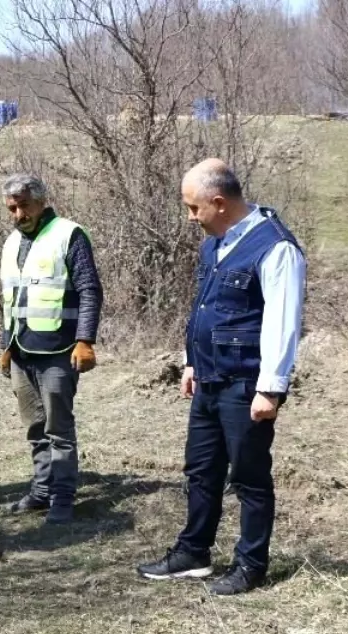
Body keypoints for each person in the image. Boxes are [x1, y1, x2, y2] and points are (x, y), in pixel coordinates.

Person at [137, 158, 306, 596]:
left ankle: (251, 565)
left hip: (247, 384)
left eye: (194, 208)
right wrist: (192, 362)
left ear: (219, 202)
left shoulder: (276, 248)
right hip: (209, 379)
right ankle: (193, 552)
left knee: (249, 477)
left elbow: (282, 323)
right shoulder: (214, 243)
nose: (191, 217)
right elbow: (207, 308)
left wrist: (271, 389)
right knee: (201, 469)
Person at [0, 174, 103, 526]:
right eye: (12, 207)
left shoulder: (68, 235)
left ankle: (62, 498)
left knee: (59, 430)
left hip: (60, 350)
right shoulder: (12, 243)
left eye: (23, 205)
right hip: (22, 352)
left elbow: (89, 290)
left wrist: (85, 340)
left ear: (41, 201)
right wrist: (6, 345)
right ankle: (41, 491)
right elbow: (11, 299)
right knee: (34, 428)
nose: (17, 214)